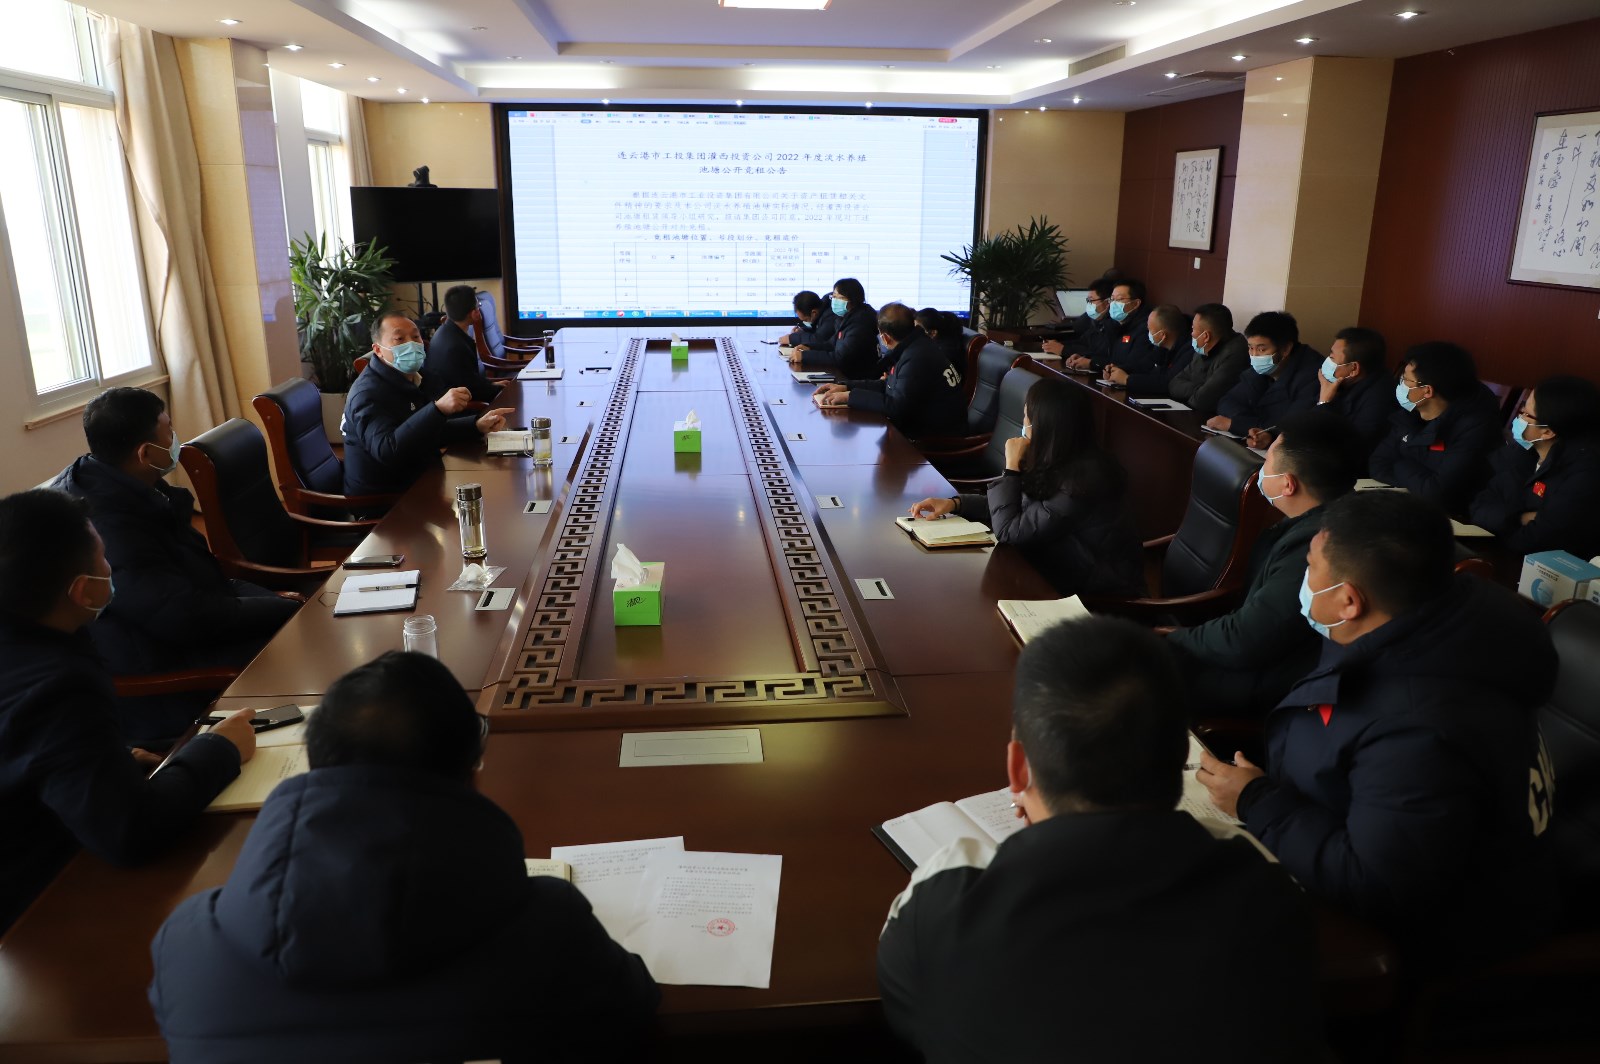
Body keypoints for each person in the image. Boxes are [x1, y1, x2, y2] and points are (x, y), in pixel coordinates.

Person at [150, 651, 659, 1063]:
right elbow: (633, 1013)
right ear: (472, 769)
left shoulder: (189, 943)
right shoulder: (551, 927)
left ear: (316, 762)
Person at [878, 617, 1321, 1062]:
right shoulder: (1268, 889)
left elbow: (908, 1018)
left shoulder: (939, 903)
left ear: (1018, 768)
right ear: (1181, 760)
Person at [1197, 490, 1557, 962]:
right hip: (1334, 834)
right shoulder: (1430, 616)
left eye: (1309, 567)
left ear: (1349, 600)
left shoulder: (1421, 731)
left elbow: (1377, 885)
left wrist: (1256, 800)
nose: (1303, 580)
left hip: (1413, 944)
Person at [0, 489, 255, 933]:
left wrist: (110, 757)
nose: (111, 568)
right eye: (104, 559)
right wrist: (220, 748)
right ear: (82, 591)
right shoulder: (60, 686)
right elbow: (131, 833)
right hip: (37, 910)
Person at [51, 388, 299, 741]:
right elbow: (182, 616)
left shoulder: (129, 482)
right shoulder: (110, 527)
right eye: (169, 431)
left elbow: (199, 582)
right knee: (303, 653)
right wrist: (282, 610)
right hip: (165, 671)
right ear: (145, 452)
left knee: (302, 625)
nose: (175, 439)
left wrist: (281, 606)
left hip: (188, 626)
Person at [1166, 409, 1363, 718]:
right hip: (1260, 660)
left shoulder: (1317, 547)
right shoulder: (1329, 514)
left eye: (1267, 461)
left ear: (1288, 484)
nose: (1260, 469)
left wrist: (1174, 638)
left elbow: (1245, 640)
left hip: (1265, 684)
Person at [908, 377, 1144, 597]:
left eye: (1026, 419)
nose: (1023, 425)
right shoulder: (1062, 459)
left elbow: (1009, 530)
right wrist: (956, 504)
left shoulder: (1081, 482)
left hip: (1095, 593)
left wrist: (1011, 468)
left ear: (1046, 427)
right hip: (1054, 567)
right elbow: (1021, 507)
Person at [343, 311, 515, 497]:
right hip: (385, 498)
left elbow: (427, 431)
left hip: (423, 479)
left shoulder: (419, 377)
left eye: (415, 336)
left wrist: (476, 426)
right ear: (378, 350)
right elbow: (388, 451)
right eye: (399, 339)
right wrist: (438, 409)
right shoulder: (367, 394)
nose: (411, 344)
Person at [1469, 375, 1600, 558]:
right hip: (1498, 550)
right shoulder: (1523, 451)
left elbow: (1535, 540)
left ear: (1547, 431)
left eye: (1525, 413)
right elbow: (1478, 506)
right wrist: (1520, 518)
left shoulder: (1585, 475)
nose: (1519, 416)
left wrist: (1503, 522)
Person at [1368, 341, 1501, 513]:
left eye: (1405, 379)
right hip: (1409, 502)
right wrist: (1418, 481)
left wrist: (1400, 464)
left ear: (1427, 391)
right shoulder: (1411, 411)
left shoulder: (1475, 427)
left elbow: (1436, 493)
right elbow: (1377, 463)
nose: (1400, 384)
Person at [811, 303, 965, 439]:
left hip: (933, 439)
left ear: (885, 338)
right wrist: (846, 386)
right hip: (922, 426)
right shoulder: (915, 346)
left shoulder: (916, 357)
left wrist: (850, 396)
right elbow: (889, 386)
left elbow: (896, 407)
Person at [1246, 327, 1390, 459]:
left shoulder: (1379, 400)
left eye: (1332, 357)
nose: (1327, 361)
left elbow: (1335, 447)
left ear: (1354, 369)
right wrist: (1270, 436)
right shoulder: (1338, 382)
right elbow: (1300, 420)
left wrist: (1324, 403)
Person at [1207, 311, 1320, 435]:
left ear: (1286, 349)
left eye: (1261, 349)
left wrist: (1235, 424)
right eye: (1251, 348)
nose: (1254, 355)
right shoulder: (1263, 367)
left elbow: (1289, 427)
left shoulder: (1312, 375)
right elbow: (1227, 402)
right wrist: (1251, 426)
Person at [422, 284, 506, 402]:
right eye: (478, 306)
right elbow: (473, 391)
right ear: (474, 313)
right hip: (462, 407)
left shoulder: (444, 331)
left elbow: (471, 381)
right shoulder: (457, 347)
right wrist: (500, 389)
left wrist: (493, 385)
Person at [1167, 302, 1248, 418]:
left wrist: (1200, 391)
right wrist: (1200, 388)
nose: (1191, 334)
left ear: (1206, 336)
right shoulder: (1203, 349)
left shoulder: (1236, 353)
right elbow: (1174, 384)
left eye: (1193, 329)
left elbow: (1201, 401)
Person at [1065, 278, 1160, 375]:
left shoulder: (1146, 329)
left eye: (1119, 299)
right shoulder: (1112, 325)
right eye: (1112, 299)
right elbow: (1106, 356)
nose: (1113, 304)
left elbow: (1132, 365)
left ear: (1136, 303)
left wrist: (1092, 363)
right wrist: (1085, 357)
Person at [788, 277, 877, 379]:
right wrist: (808, 347)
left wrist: (805, 356)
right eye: (833, 297)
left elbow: (840, 359)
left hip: (857, 379)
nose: (833, 301)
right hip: (846, 375)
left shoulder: (859, 325)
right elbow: (831, 344)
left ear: (851, 300)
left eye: (837, 297)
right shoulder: (845, 319)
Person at [1104, 303, 1186, 393]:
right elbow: (1144, 366)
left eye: (1150, 330)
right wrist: (1118, 369)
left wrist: (1127, 379)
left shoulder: (1186, 353)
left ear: (1162, 335)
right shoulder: (1161, 348)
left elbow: (1167, 383)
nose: (1148, 334)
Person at [1041, 276, 1115, 365]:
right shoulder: (1098, 323)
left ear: (1107, 302)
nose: (1089, 304)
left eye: (1091, 300)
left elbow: (1098, 352)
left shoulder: (1114, 325)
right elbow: (1083, 342)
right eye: (1088, 300)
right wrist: (1058, 345)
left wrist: (1064, 350)